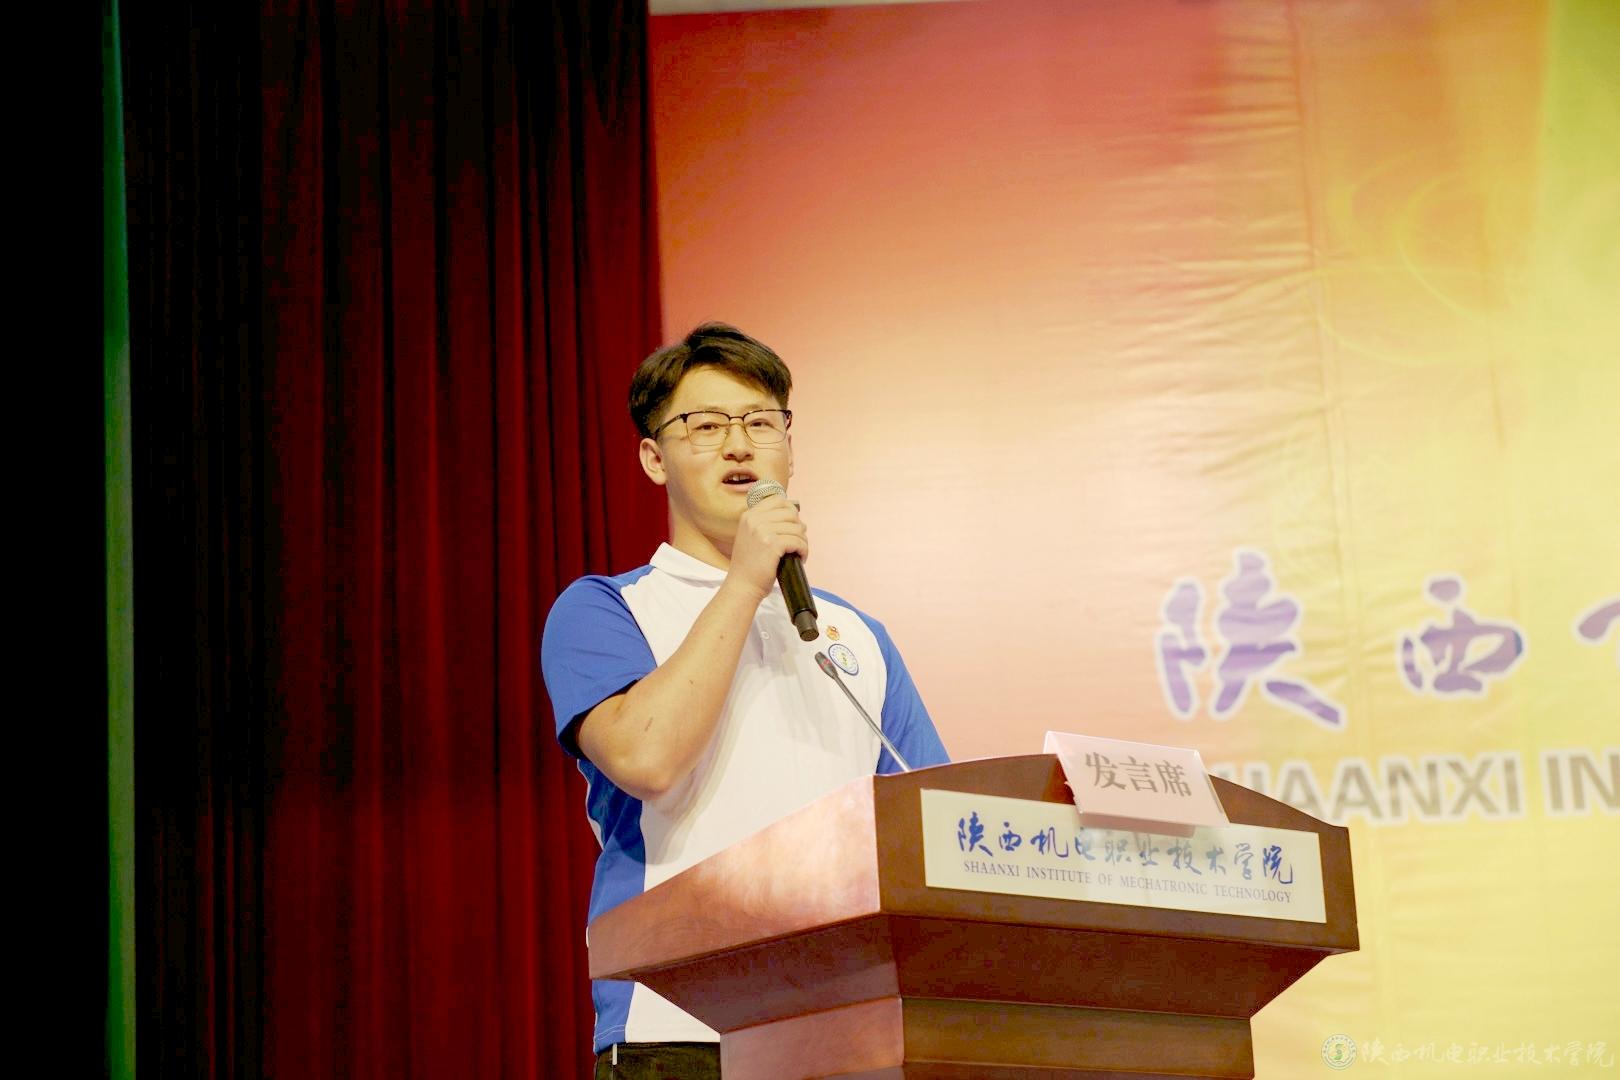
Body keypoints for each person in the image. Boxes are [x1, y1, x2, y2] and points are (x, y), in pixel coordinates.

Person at [542, 322, 950, 1079]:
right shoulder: (604, 609)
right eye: (705, 426)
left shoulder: (858, 635)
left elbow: (929, 823)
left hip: (848, 1030)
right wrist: (745, 581)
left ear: (789, 450)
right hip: (680, 1026)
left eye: (761, 423)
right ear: (653, 459)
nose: (739, 445)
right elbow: (647, 758)